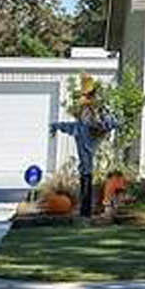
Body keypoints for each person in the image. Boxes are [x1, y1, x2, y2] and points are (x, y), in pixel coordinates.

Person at [50, 76, 116, 216]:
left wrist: (101, 125)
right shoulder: (84, 113)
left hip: (91, 150)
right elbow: (78, 127)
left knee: (88, 173)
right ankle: (85, 210)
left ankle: (88, 210)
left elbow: (110, 123)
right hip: (86, 153)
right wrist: (59, 126)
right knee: (85, 173)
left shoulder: (99, 111)